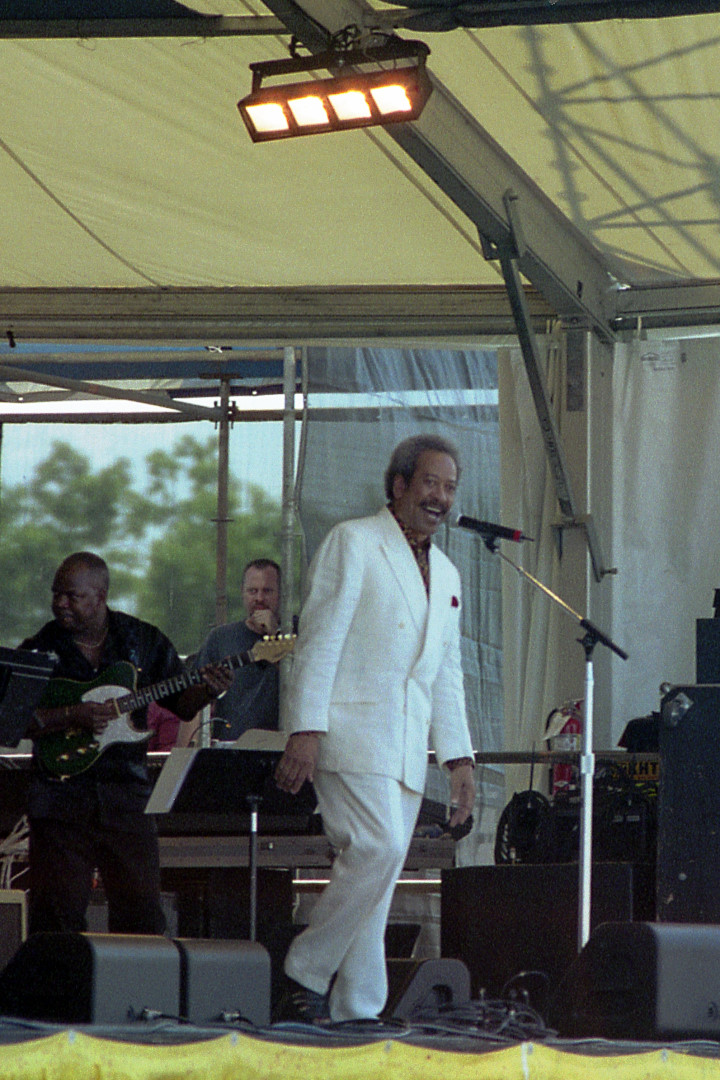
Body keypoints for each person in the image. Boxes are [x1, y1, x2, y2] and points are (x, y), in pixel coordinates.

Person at [274, 434, 476, 1023]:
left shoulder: (447, 571)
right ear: (400, 486)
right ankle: (304, 971)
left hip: (408, 748)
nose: (441, 497)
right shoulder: (354, 542)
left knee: (379, 880)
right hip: (351, 731)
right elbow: (320, 641)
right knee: (379, 848)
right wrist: (305, 729)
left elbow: (446, 675)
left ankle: (355, 1013)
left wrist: (459, 760)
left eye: (450, 487)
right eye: (431, 483)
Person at [20, 551, 232, 936]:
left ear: (100, 597)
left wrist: (206, 691)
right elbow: (15, 719)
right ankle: (63, 995)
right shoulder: (38, 649)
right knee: (56, 918)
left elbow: (181, 706)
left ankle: (138, 995)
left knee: (142, 916)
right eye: (56, 595)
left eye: (71, 596)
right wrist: (72, 715)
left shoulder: (142, 642)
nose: (60, 604)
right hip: (59, 803)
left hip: (125, 798)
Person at [185, 558, 287, 743]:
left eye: (267, 591)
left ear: (281, 594)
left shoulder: (296, 632)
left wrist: (275, 634)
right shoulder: (221, 637)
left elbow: (304, 683)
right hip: (230, 747)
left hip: (282, 747)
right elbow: (194, 699)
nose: (259, 599)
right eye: (252, 591)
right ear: (242, 593)